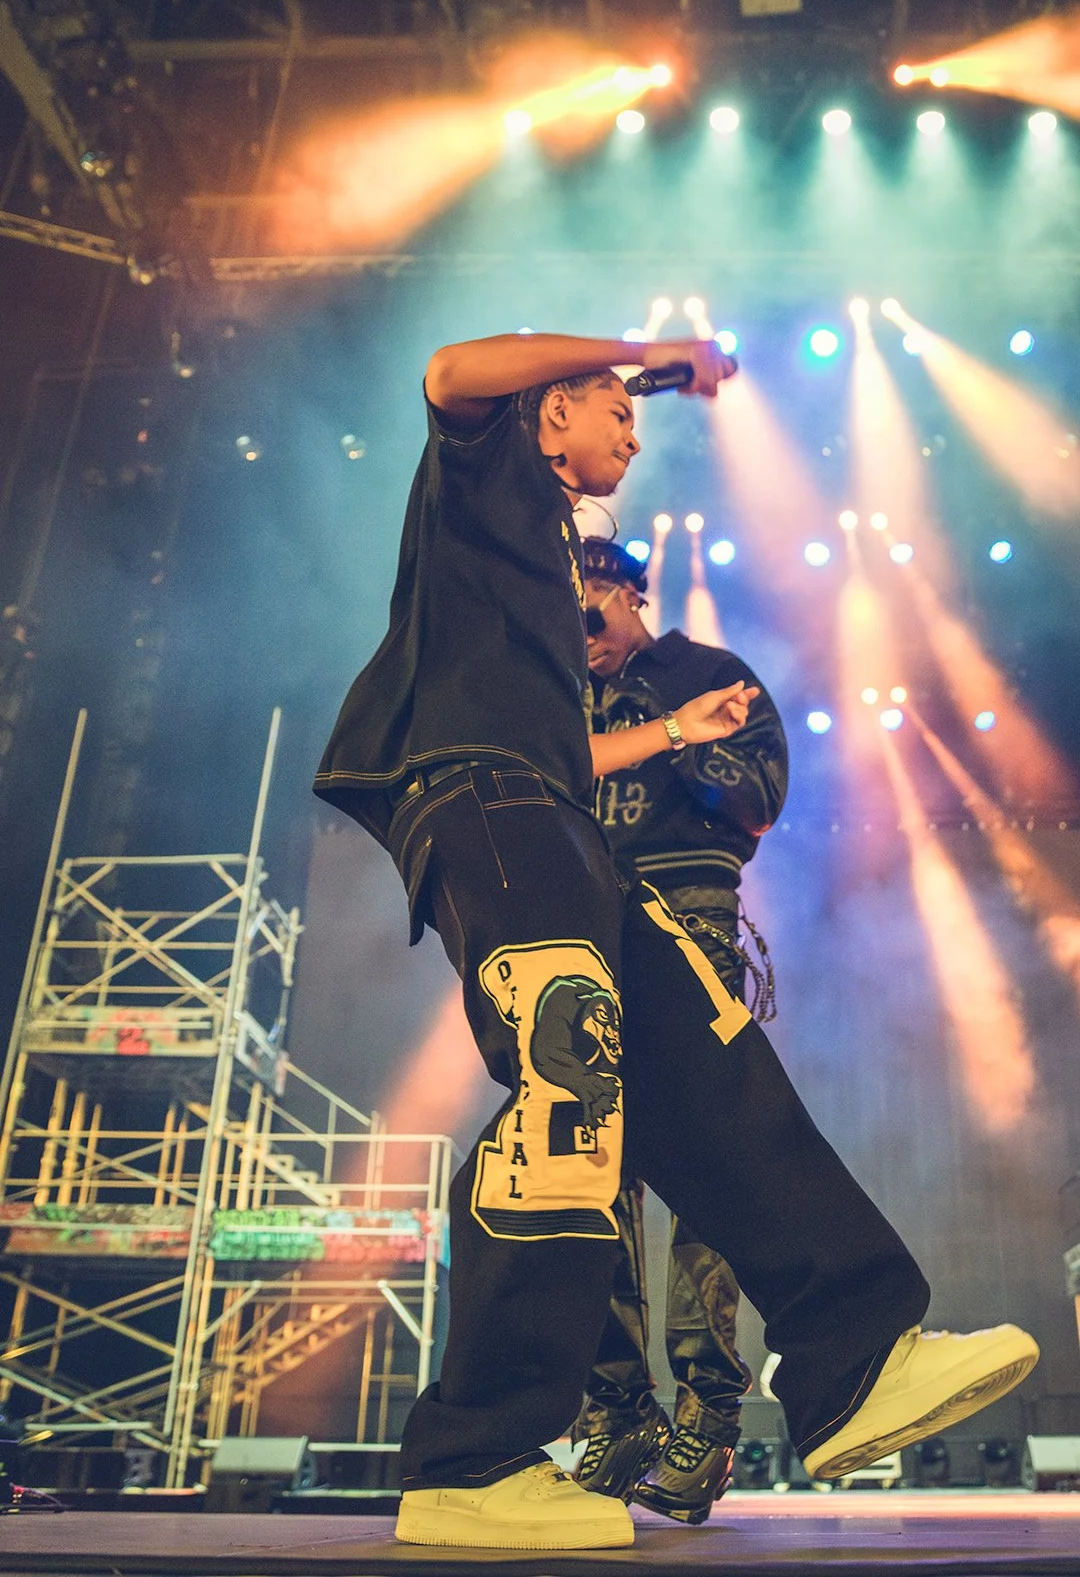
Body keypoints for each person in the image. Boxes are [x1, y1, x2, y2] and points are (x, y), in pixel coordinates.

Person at [314, 332, 1038, 1552]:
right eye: (614, 411)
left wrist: (672, 734)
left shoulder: (552, 569)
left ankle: (856, 1356)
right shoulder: (486, 473)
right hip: (482, 804)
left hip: (552, 811)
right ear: (549, 417)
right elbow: (448, 366)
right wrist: (640, 352)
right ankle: (474, 1458)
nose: (634, 431)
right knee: (570, 1074)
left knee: (705, 1064)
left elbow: (566, 751)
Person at [571, 536, 787, 1524]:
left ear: (626, 590)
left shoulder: (707, 672)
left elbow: (760, 798)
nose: (583, 636)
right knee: (588, 1172)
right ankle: (618, 1414)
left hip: (689, 921)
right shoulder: (559, 691)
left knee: (705, 1168)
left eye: (590, 612)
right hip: (581, 937)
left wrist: (675, 734)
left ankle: (708, 1412)